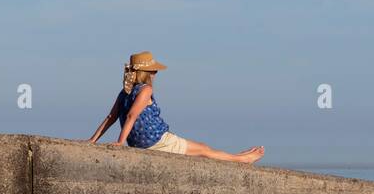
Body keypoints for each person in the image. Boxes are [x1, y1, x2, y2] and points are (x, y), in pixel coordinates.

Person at [87, 52, 264, 163]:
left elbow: (111, 117)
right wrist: (120, 142)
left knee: (202, 147)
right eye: (154, 71)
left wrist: (92, 140)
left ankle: (238, 157)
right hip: (155, 141)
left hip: (141, 141)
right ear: (147, 73)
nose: (155, 75)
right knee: (203, 151)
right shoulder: (146, 90)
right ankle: (241, 159)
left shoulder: (124, 92)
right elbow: (132, 115)